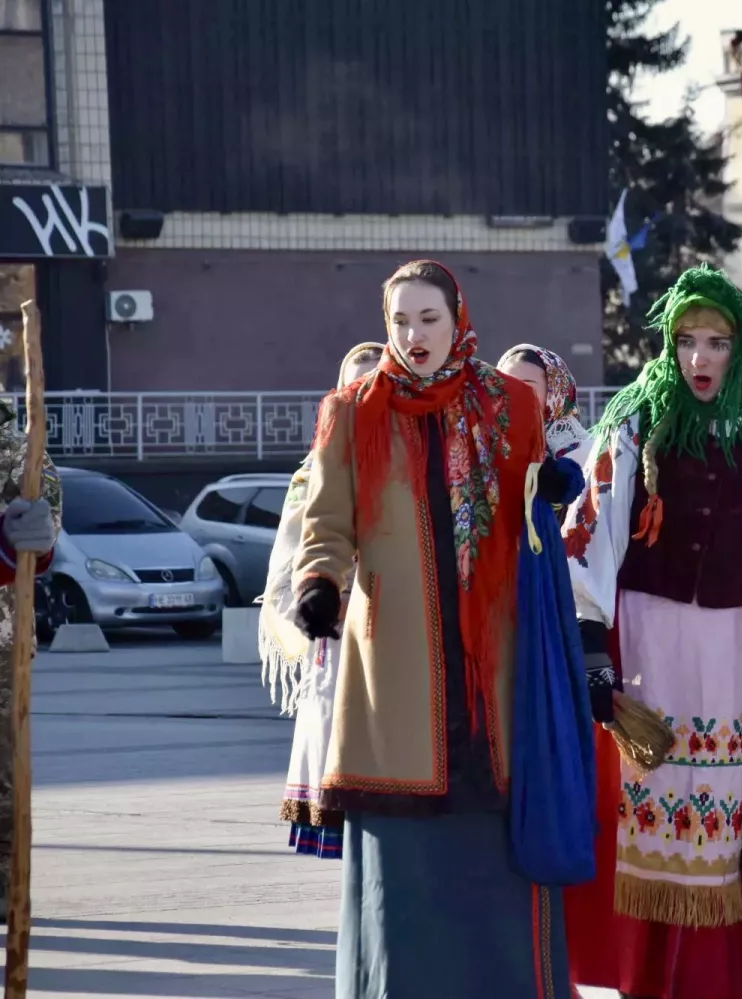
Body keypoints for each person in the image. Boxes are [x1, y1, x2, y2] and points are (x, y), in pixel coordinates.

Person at [292, 260, 580, 998]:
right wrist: (318, 586)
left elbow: (535, 509)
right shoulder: (354, 409)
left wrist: (551, 491)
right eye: (399, 321)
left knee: (494, 873)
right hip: (396, 672)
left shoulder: (511, 403)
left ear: (458, 318)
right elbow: (325, 524)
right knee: (406, 876)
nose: (414, 336)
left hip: (497, 670)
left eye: (428, 319)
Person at [562, 264, 742, 999]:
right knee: (653, 808)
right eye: (686, 340)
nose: (700, 358)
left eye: (718, 341)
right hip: (652, 638)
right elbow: (593, 530)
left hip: (739, 642)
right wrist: (590, 642)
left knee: (731, 812)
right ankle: (650, 979)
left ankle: (723, 980)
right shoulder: (637, 420)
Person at [260, 341, 383, 860]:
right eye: (352, 385)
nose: (362, 394)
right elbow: (293, 550)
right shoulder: (314, 469)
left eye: (374, 382)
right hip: (343, 628)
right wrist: (319, 597)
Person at [0, 397, 61, 911]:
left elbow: (43, 542)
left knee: (4, 778)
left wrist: (28, 541)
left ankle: (5, 889)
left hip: (2, 645)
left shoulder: (23, 451)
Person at [498, 344, 591, 464]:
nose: (514, 395)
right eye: (506, 387)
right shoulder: (486, 451)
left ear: (555, 392)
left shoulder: (588, 455)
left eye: (526, 386)